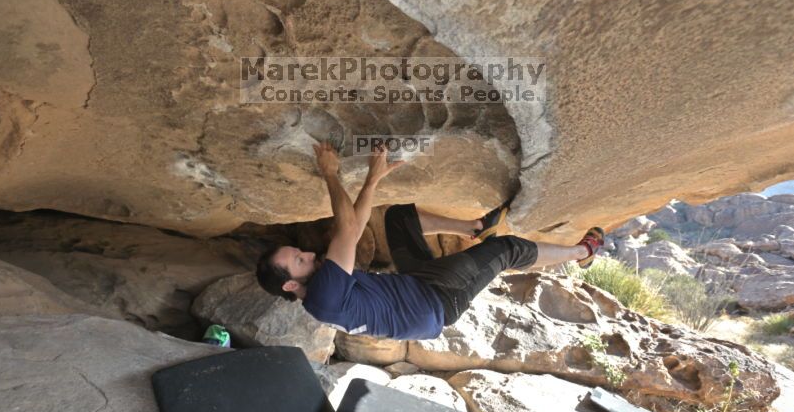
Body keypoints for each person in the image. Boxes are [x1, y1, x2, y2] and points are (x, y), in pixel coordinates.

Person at [256, 142, 604, 340]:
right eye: (299, 260)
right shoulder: (324, 293)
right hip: (436, 300)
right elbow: (347, 228)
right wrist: (330, 173)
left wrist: (373, 179)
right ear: (290, 284)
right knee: (506, 249)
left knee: (398, 218)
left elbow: (355, 229)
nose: (308, 254)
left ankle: (474, 227)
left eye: (299, 252)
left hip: (413, 286)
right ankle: (583, 252)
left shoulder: (318, 290)